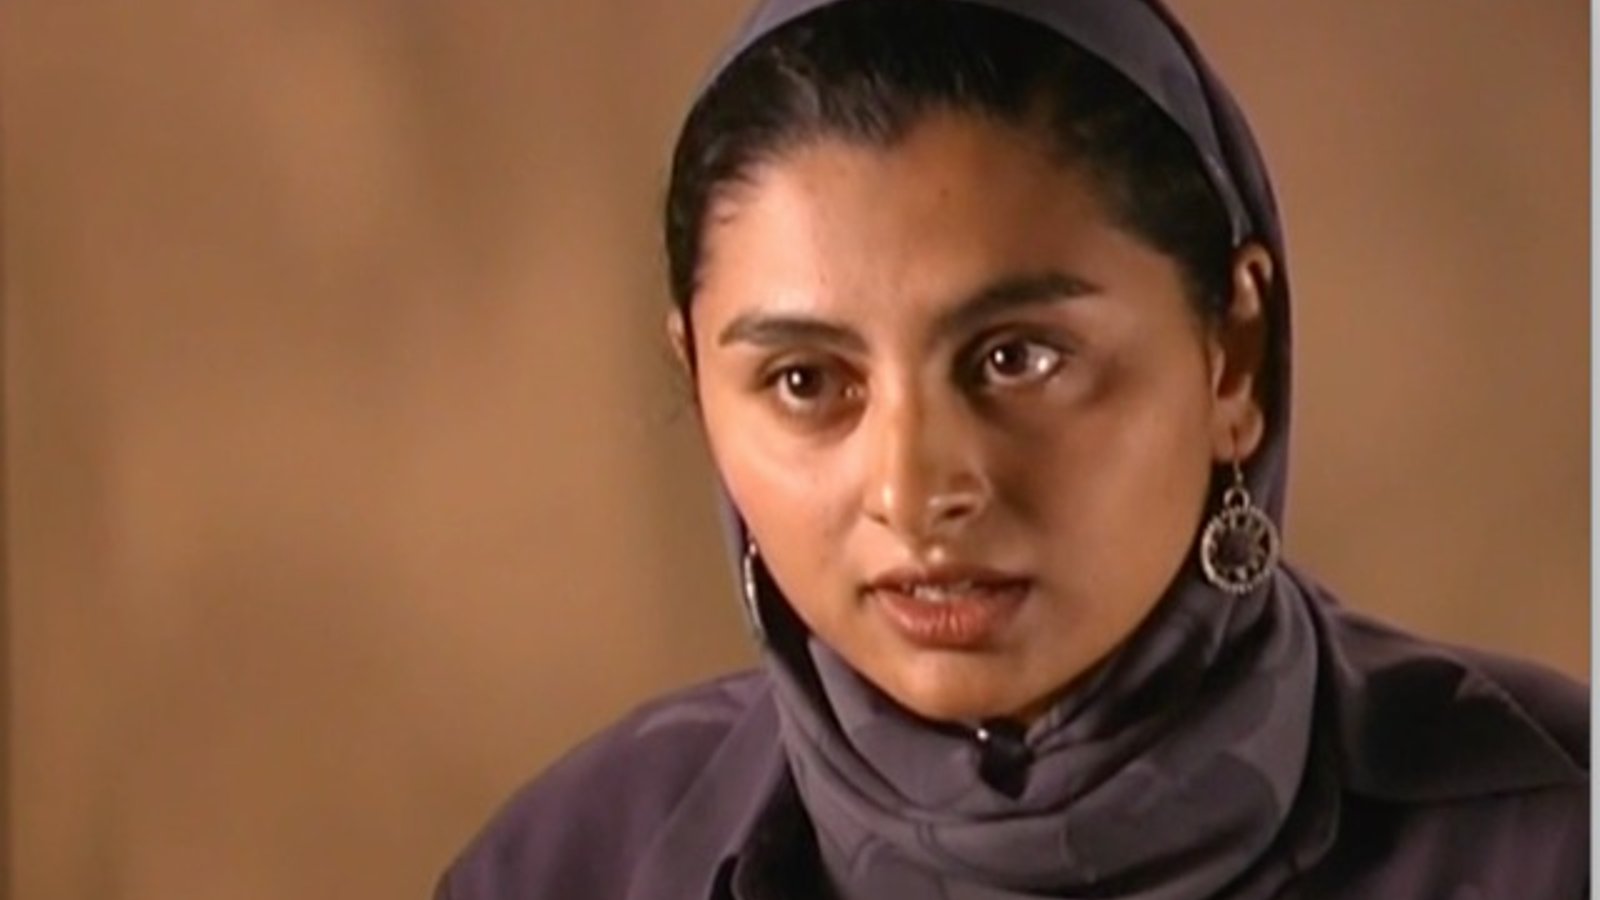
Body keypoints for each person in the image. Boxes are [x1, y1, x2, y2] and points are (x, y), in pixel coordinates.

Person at [435, 0, 1588, 897]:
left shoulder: (1551, 836)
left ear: (1232, 355)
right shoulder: (575, 867)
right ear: (699, 380)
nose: (913, 489)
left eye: (1015, 359)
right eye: (805, 383)